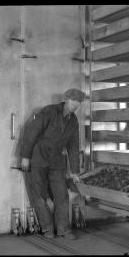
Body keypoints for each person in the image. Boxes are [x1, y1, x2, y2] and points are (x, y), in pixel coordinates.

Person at [20, 88, 85, 240]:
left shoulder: (73, 121)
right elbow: (31, 132)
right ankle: (47, 228)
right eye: (73, 101)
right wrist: (25, 156)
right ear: (66, 99)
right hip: (38, 158)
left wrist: (75, 171)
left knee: (61, 195)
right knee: (39, 196)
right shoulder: (49, 112)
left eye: (78, 102)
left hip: (56, 161)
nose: (75, 104)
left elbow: (73, 146)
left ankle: (63, 229)